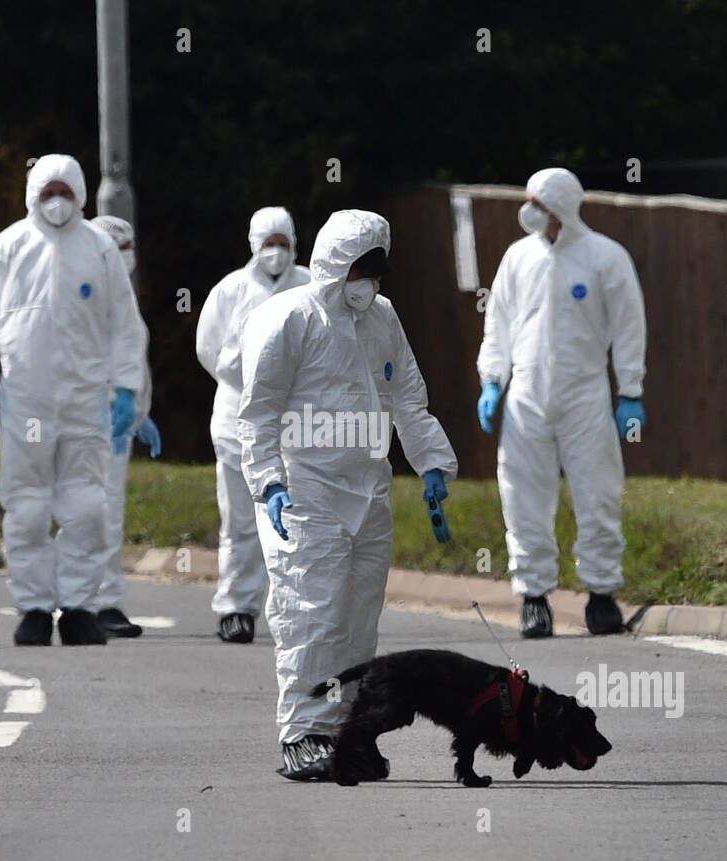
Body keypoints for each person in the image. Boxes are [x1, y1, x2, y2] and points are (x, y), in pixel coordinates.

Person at [238, 209, 457, 780]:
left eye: (378, 271)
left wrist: (432, 464)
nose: (372, 282)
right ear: (337, 266)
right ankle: (303, 733)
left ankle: (346, 732)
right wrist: (270, 483)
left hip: (368, 490)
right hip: (305, 490)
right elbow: (258, 414)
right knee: (311, 614)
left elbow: (407, 397)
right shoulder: (288, 319)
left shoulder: (382, 317)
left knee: (359, 620)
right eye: (363, 270)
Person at [0, 155, 147, 646]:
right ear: (32, 195)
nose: (58, 200)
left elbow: (123, 325)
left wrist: (127, 389)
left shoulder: (100, 249)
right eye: (48, 191)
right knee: (26, 506)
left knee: (87, 506)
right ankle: (35, 607)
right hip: (25, 404)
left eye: (66, 191)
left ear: (82, 193)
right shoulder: (8, 247)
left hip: (85, 402)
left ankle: (80, 607)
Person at [477, 168, 647, 639]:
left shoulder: (604, 258)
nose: (530, 210)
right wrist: (493, 379)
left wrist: (629, 390)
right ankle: (534, 598)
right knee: (523, 495)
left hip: (585, 396)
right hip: (526, 397)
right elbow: (500, 323)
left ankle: (602, 595)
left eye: (539, 202)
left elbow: (630, 325)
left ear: (562, 207)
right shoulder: (517, 258)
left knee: (598, 494)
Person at [196, 207, 310, 643]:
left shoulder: (310, 287)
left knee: (298, 519)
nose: (276, 252)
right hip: (236, 422)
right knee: (241, 520)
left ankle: (294, 609)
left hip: (297, 424)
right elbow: (209, 349)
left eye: (283, 242)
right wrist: (245, 373)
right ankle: (236, 606)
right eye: (269, 243)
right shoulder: (230, 291)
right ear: (253, 244)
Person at [91, 215, 160, 638]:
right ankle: (85, 599)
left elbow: (133, 365)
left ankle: (101, 600)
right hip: (83, 424)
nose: (121, 259)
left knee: (107, 512)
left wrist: (138, 413)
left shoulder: (126, 304)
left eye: (126, 249)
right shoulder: (83, 299)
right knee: (86, 510)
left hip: (116, 425)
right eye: (110, 250)